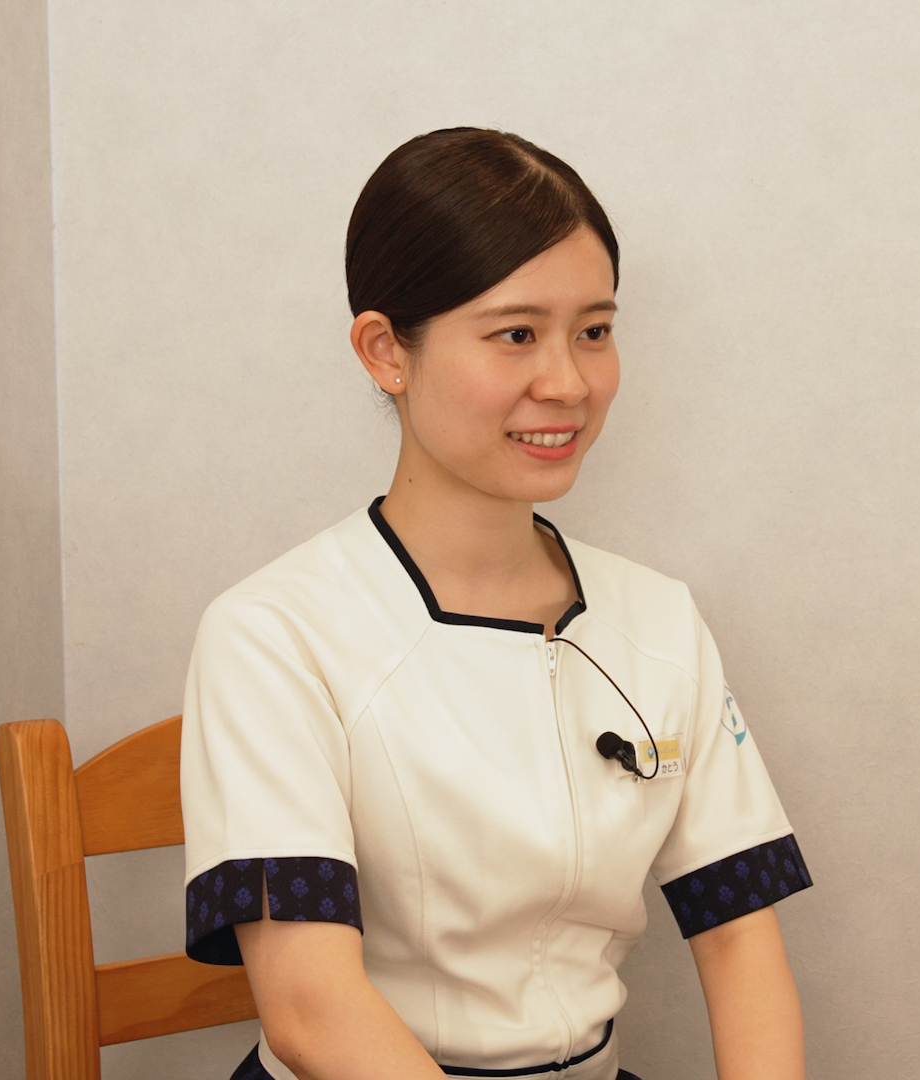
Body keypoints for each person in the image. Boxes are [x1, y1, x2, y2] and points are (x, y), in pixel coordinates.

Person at [179, 128, 812, 1080]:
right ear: (385, 351)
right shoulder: (274, 634)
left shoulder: (659, 620)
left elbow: (740, 944)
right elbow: (311, 1010)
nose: (569, 383)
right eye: (516, 334)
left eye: (593, 331)